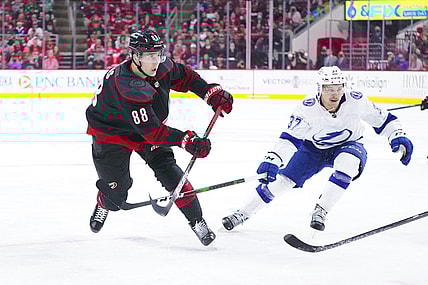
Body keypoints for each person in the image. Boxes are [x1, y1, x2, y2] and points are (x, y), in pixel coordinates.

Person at [86, 30, 233, 246]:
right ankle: (104, 202)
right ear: (135, 56)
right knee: (116, 195)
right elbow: (153, 132)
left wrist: (209, 93)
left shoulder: (162, 65)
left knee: (173, 177)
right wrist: (186, 140)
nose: (155, 60)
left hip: (146, 127)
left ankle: (197, 221)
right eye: (148, 55)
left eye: (157, 54)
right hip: (111, 134)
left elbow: (187, 77)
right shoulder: (127, 85)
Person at [222, 66, 413, 232]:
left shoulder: (357, 101)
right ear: (319, 88)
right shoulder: (306, 110)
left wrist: (398, 135)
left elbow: (385, 119)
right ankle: (243, 213)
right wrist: (273, 159)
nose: (334, 94)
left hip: (349, 144)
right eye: (329, 88)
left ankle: (321, 210)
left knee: (348, 164)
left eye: (339, 88)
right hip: (312, 149)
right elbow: (289, 140)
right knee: (282, 182)